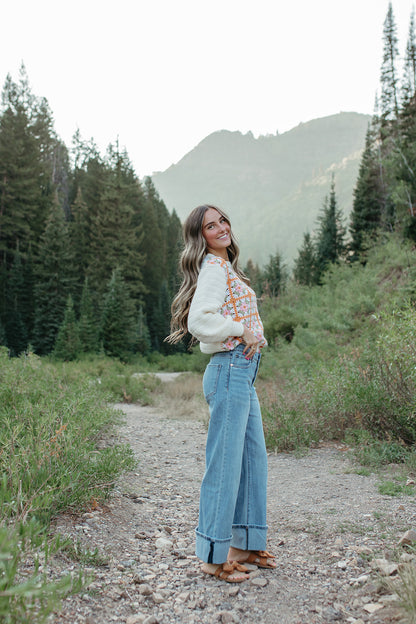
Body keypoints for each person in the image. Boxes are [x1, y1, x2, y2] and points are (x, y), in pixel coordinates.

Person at [166, 204, 276, 583]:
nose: (220, 228)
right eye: (211, 226)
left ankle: (245, 544)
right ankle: (213, 555)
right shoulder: (213, 268)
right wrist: (241, 330)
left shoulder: (225, 268)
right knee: (226, 466)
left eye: (222, 220)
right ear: (202, 237)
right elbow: (199, 321)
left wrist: (250, 335)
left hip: (241, 373)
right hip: (230, 369)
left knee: (251, 460)